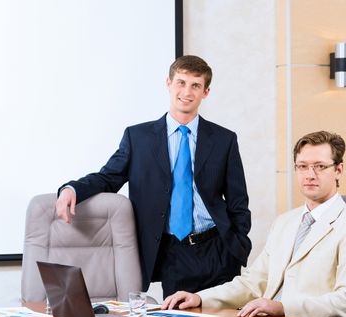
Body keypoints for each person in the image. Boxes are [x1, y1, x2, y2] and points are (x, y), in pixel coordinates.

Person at [55, 55, 251, 297]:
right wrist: (71, 189)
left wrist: (237, 243)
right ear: (168, 84)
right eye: (181, 82)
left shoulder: (224, 140)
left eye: (195, 85)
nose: (187, 92)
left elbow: (238, 200)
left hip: (217, 249)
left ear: (206, 92)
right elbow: (108, 178)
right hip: (171, 251)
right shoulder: (138, 138)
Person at [162, 131, 346, 317]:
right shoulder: (285, 222)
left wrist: (283, 308)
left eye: (320, 166)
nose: (310, 174)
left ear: (338, 170)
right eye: (302, 166)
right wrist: (200, 298)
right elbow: (253, 283)